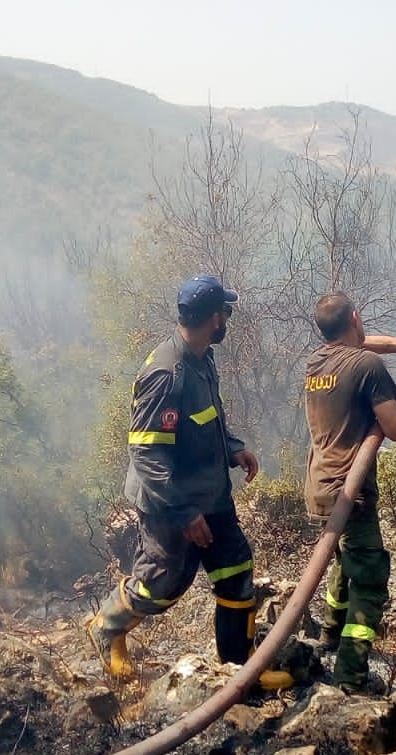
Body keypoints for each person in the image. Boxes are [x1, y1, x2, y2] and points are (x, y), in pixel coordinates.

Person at [86, 275, 294, 691]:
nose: (228, 319)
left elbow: (207, 420)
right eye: (225, 312)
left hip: (211, 496)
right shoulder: (166, 373)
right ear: (214, 318)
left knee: (235, 569)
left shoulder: (203, 359)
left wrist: (233, 448)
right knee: (163, 583)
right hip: (169, 502)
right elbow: (145, 452)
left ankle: (239, 669)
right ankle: (106, 627)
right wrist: (183, 511)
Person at [303, 291, 396, 693]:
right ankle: (349, 676)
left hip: (319, 487)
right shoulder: (366, 366)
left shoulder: (317, 362)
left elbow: (363, 345)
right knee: (368, 581)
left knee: (342, 562)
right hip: (350, 492)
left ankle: (330, 635)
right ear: (355, 317)